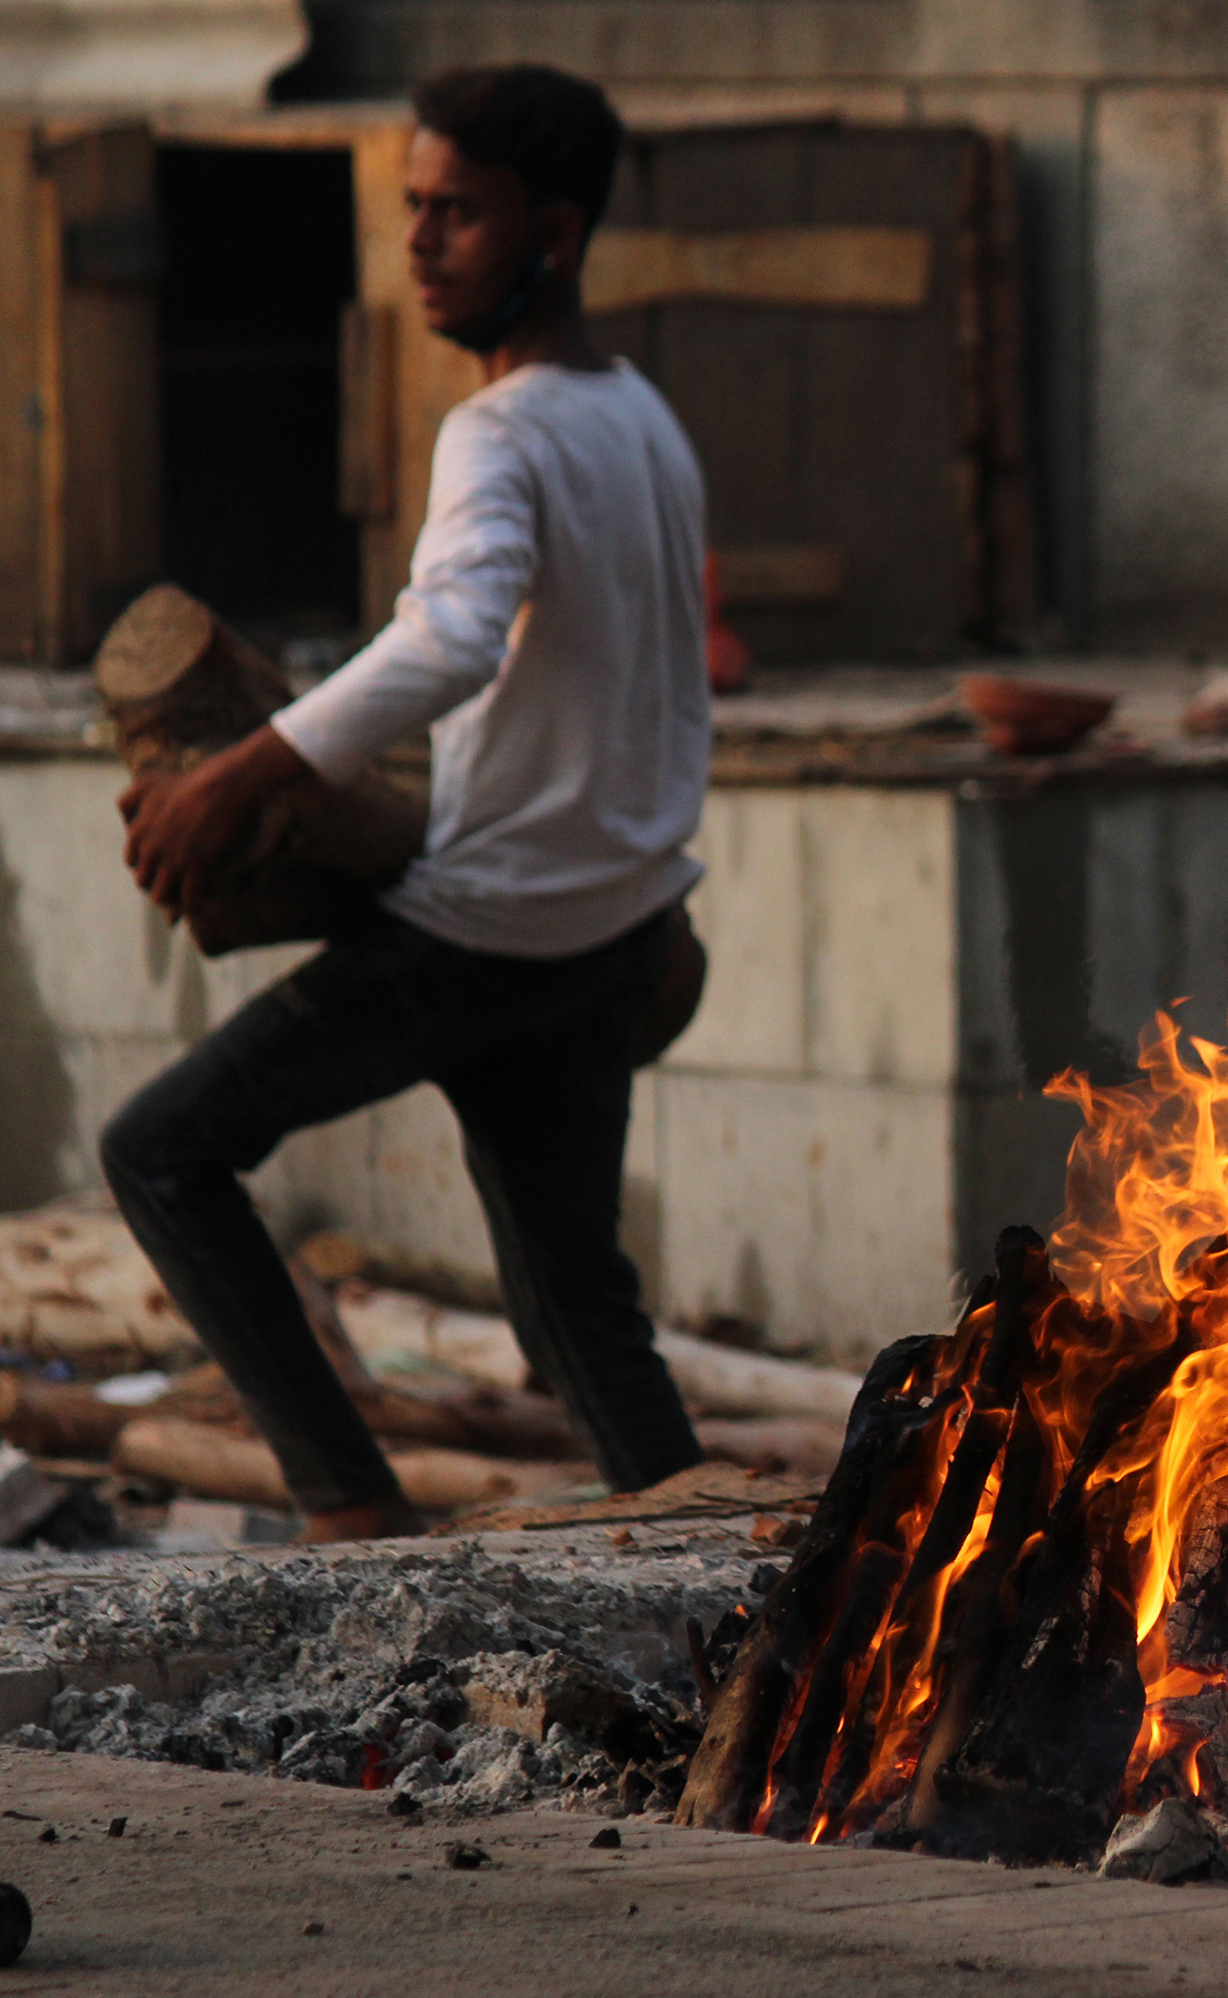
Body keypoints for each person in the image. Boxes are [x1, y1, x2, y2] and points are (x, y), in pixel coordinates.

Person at [104, 64, 711, 1544]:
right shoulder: (642, 417)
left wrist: (235, 775)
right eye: (412, 209)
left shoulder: (496, 435)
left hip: (492, 936)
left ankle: (346, 1507)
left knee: (160, 1150)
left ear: (552, 233)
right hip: (618, 920)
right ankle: (725, 1556)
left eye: (459, 214)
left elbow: (446, 637)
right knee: (577, 1297)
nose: (421, 244)